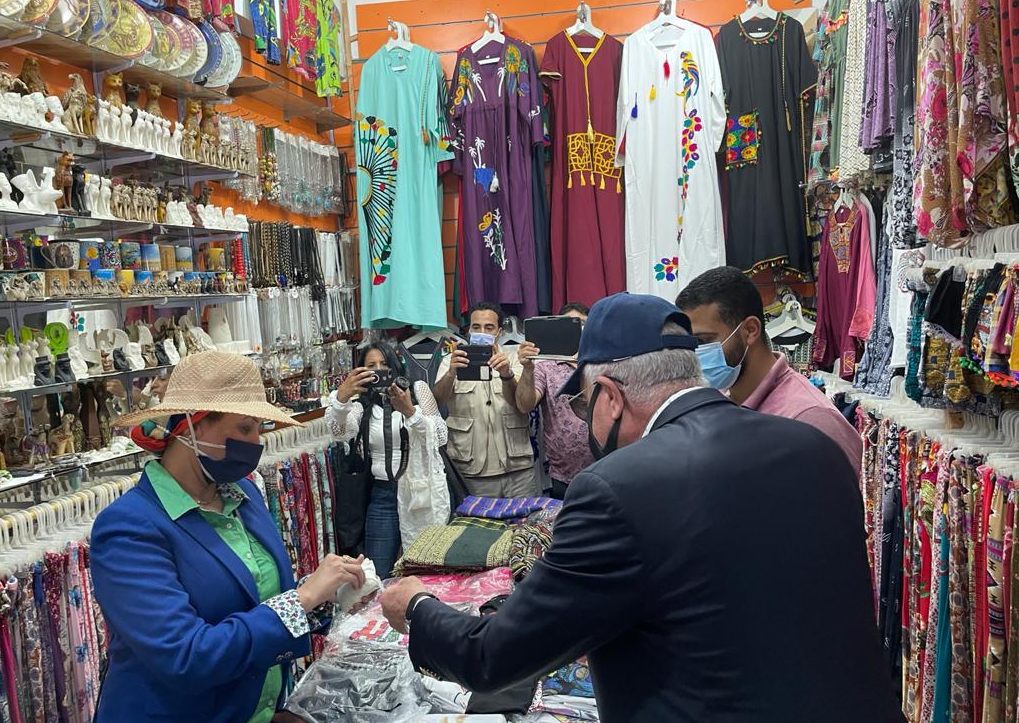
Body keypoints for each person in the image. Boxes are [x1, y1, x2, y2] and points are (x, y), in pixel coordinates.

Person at [381, 293, 903, 723]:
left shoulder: (615, 489)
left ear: (609, 396)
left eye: (583, 404)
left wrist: (419, 608)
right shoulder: (814, 444)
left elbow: (494, 656)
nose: (585, 418)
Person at [91, 351, 367, 723]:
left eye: (258, 428)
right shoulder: (129, 528)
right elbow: (186, 657)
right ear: (193, 426)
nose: (257, 441)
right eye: (245, 428)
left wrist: (326, 594)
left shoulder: (242, 494)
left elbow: (258, 601)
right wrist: (302, 598)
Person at [677, 266, 863, 472]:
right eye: (690, 343)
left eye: (703, 341)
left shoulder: (811, 419)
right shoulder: (716, 400)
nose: (695, 353)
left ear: (750, 330)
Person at [325, 341, 451, 579]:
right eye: (371, 366)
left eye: (383, 363)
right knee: (378, 573)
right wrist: (341, 398)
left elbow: (441, 435)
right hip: (382, 495)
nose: (379, 370)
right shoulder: (361, 405)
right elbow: (339, 432)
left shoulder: (418, 390)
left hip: (419, 493)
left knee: (424, 569)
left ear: (394, 365)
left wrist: (409, 411)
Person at [432, 301, 539, 498]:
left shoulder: (515, 359)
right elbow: (437, 401)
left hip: (517, 470)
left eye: (489, 328)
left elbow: (524, 405)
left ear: (499, 332)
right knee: (477, 519)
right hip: (471, 469)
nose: (482, 332)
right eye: (476, 327)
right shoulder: (451, 361)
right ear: (469, 331)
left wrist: (506, 374)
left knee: (526, 519)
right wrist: (451, 373)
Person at [515, 302, 594, 499]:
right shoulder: (544, 366)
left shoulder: (601, 360)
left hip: (606, 468)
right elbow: (525, 405)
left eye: (582, 324)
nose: (578, 330)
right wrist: (527, 368)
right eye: (570, 324)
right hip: (563, 476)